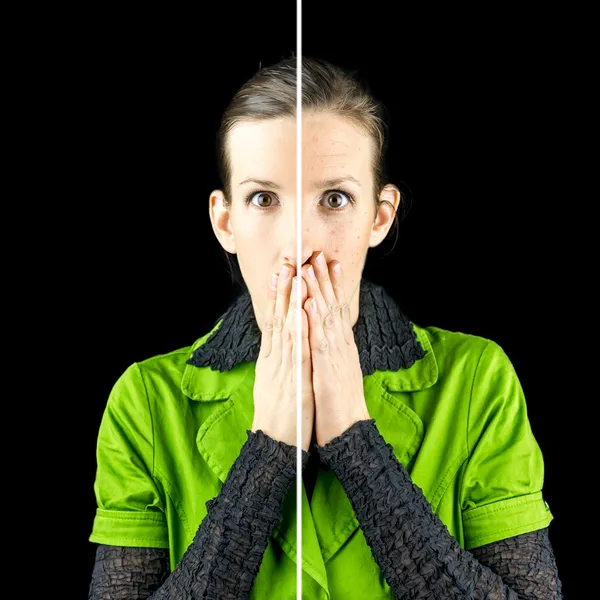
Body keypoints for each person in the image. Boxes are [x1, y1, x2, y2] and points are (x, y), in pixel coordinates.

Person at [87, 56, 563, 599]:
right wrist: (267, 448)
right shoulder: (144, 401)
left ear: (379, 217)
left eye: (334, 199)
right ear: (226, 222)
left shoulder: (478, 380)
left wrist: (354, 438)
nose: (299, 244)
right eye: (263, 199)